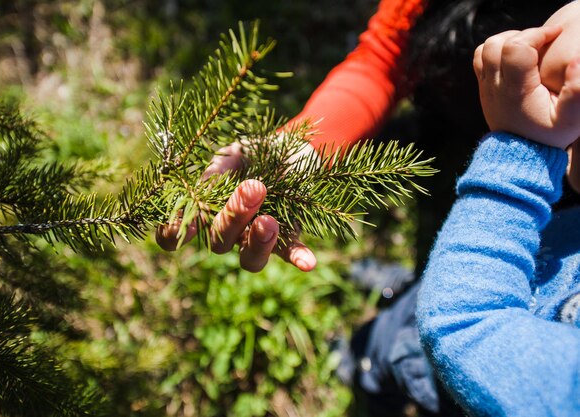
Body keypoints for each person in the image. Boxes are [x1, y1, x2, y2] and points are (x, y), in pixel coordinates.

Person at [158, 0, 576, 415]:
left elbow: (473, 336)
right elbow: (386, 53)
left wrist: (524, 150)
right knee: (440, 251)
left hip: (547, 216)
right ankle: (415, 283)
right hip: (456, 162)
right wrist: (307, 147)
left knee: (434, 359)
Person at [417, 1, 580, 415]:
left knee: (394, 356)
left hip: (470, 357)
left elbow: (465, 323)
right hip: (516, 260)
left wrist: (522, 147)